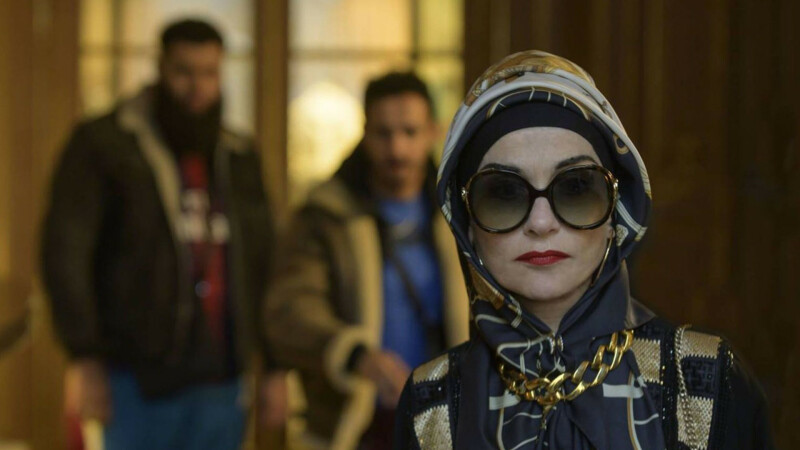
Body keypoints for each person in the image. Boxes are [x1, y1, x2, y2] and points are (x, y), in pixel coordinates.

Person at [394, 50, 774, 449]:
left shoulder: (707, 381)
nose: (541, 223)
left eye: (576, 188)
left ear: (615, 214)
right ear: (467, 225)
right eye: (503, 193)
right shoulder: (429, 404)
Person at [42, 19, 285, 450]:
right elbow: (66, 253)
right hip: (135, 377)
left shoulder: (237, 154)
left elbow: (264, 261)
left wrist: (275, 364)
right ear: (160, 69)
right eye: (183, 72)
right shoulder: (106, 144)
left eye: (209, 73)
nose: (197, 87)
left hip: (223, 377)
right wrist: (84, 355)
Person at [264, 72, 469, 449]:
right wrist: (354, 354)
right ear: (364, 132)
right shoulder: (326, 215)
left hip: (447, 419)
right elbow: (292, 307)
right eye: (383, 133)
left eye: (410, 132)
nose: (397, 149)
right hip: (353, 421)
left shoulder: (461, 213)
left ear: (433, 132)